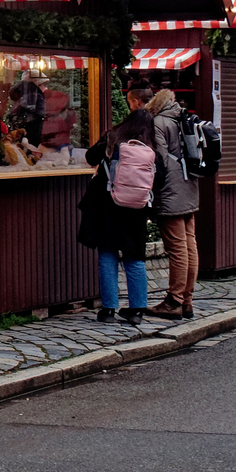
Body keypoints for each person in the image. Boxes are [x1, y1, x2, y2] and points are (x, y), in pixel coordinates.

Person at [79, 87, 162, 324]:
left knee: (107, 253)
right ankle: (136, 309)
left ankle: (108, 310)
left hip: (107, 204)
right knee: (134, 256)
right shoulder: (151, 147)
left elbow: (90, 158)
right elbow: (161, 178)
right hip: (136, 209)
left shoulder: (113, 137)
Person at [143, 88, 200, 319]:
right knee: (189, 245)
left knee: (177, 249)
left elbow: (160, 160)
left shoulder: (158, 122)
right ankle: (187, 300)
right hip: (189, 186)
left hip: (170, 191)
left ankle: (174, 300)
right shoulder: (183, 118)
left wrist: (151, 189)